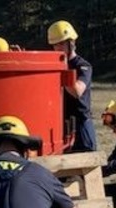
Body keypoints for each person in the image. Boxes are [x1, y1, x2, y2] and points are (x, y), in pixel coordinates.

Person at [48, 20, 95, 152]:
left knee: (86, 161)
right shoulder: (53, 66)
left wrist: (62, 70)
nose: (58, 48)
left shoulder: (83, 66)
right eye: (55, 45)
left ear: (72, 42)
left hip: (81, 123)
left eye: (61, 44)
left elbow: (77, 91)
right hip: (60, 123)